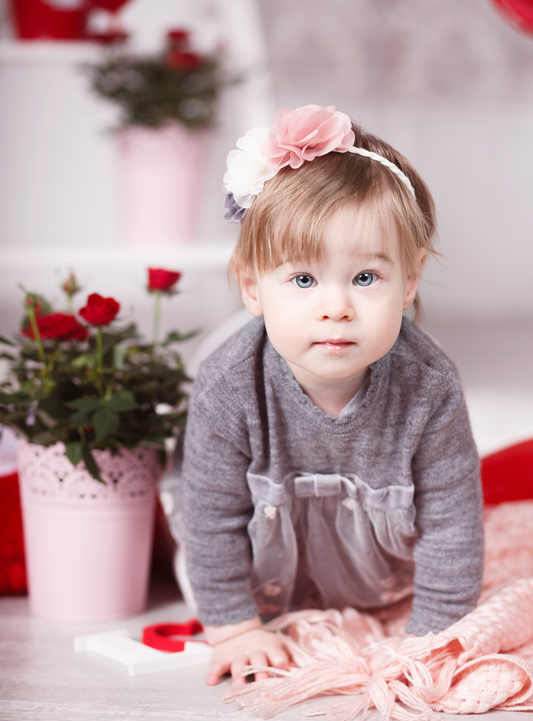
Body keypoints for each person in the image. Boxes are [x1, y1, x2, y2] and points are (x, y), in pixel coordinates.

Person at [182, 104, 484, 686]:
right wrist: (235, 628)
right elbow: (211, 520)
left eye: (366, 278)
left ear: (409, 280)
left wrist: (430, 639)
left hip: (383, 581)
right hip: (263, 582)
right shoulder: (229, 388)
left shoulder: (429, 387)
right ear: (252, 286)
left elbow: (452, 524)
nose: (336, 307)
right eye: (303, 279)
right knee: (188, 528)